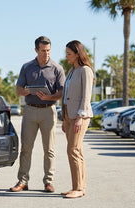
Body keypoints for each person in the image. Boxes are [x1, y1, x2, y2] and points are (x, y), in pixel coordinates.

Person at [9, 36, 65, 193]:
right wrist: (29, 91)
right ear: (36, 50)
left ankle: (48, 181)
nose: (46, 54)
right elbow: (19, 89)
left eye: (48, 51)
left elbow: (61, 92)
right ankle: (22, 181)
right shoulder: (26, 67)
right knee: (26, 147)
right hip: (30, 110)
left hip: (49, 111)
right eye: (43, 51)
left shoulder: (57, 68)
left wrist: (49, 97)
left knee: (50, 149)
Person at [61, 40, 94, 198]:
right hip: (69, 115)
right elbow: (67, 95)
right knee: (77, 150)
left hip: (80, 116)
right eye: (66, 53)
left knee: (72, 150)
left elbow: (86, 97)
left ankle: (78, 189)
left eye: (69, 54)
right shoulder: (71, 71)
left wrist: (80, 117)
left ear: (77, 54)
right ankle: (79, 186)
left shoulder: (85, 70)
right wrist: (64, 118)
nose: (66, 56)